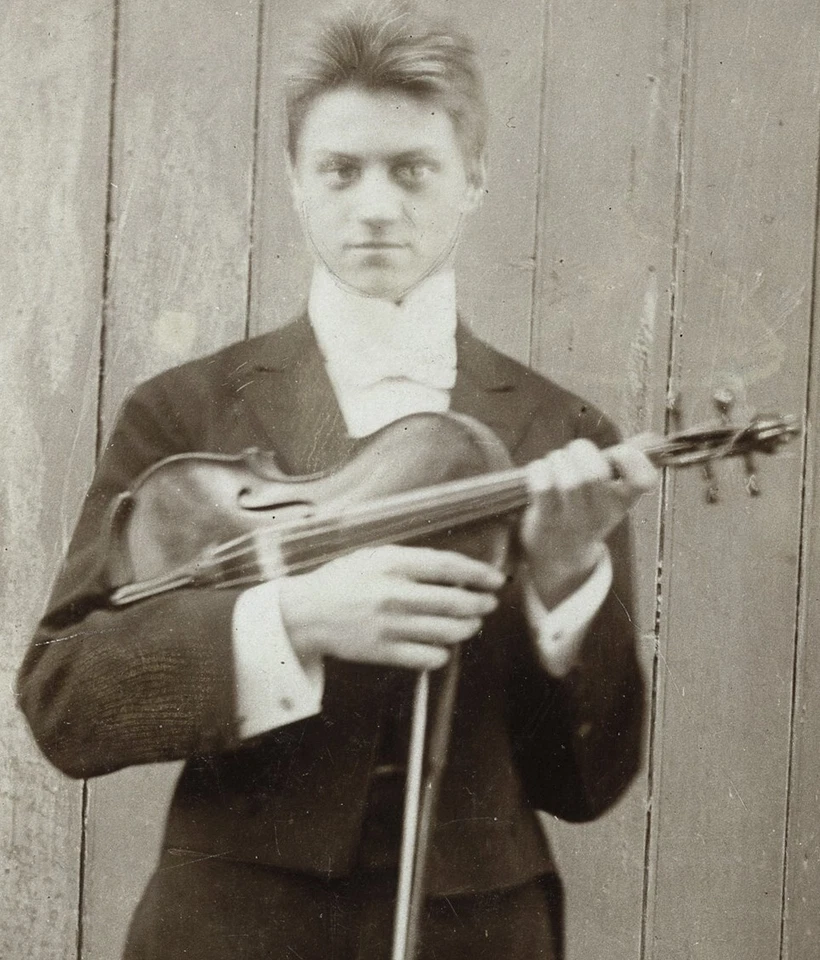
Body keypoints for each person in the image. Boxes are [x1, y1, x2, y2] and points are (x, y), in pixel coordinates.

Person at [18, 3, 657, 958]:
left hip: (474, 929)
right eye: (341, 169)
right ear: (295, 183)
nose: (375, 205)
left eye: (413, 170)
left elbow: (589, 783)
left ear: (473, 180)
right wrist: (295, 620)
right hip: (232, 929)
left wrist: (569, 583)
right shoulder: (185, 412)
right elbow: (65, 699)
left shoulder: (558, 434)